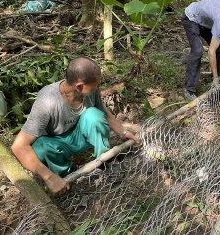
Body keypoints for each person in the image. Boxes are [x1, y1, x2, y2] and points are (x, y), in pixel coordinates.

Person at [11, 56, 139, 195]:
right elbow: (18, 146)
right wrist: (49, 177)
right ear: (79, 86)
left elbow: (105, 114)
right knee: (40, 147)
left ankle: (106, 160)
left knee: (94, 115)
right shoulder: (47, 102)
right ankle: (67, 174)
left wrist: (124, 133)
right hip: (57, 143)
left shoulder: (91, 90)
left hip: (81, 135)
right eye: (95, 85)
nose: (98, 87)